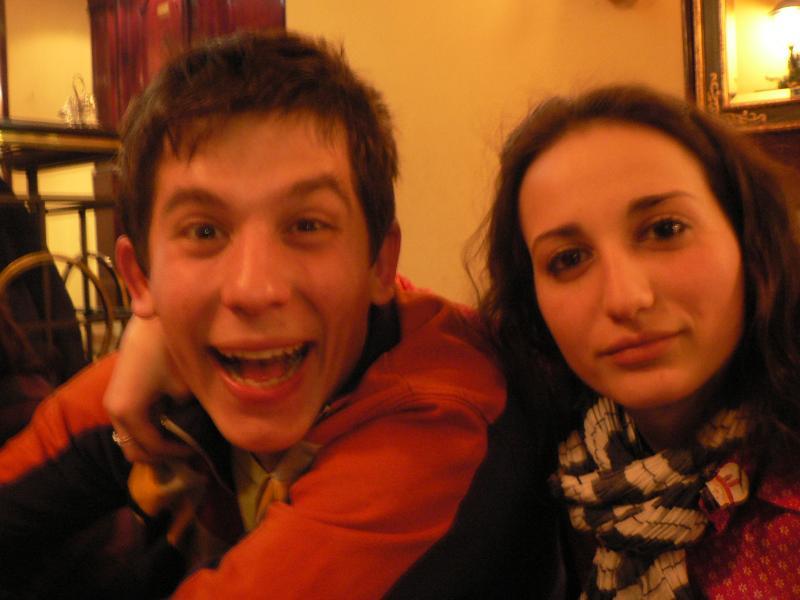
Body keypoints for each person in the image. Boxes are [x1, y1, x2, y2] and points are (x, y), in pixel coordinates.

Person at [0, 31, 559, 598]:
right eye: (204, 231)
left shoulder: (441, 416)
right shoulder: (164, 363)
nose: (254, 289)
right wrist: (126, 439)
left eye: (307, 225)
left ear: (379, 262)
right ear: (140, 278)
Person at [478, 84, 800, 598]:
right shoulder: (539, 477)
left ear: (747, 237)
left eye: (665, 229)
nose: (625, 298)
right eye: (568, 259)